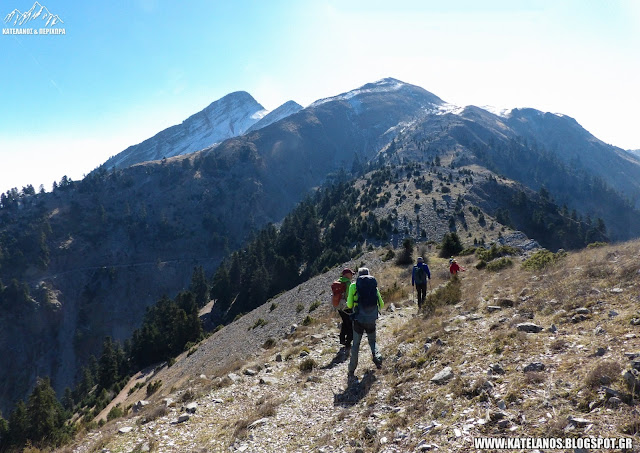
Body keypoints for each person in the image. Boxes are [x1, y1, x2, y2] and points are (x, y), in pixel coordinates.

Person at [346, 267, 384, 382]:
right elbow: (381, 304)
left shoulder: (354, 286)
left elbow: (348, 305)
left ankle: (352, 369)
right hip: (371, 319)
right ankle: (377, 358)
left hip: (358, 320)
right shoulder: (373, 286)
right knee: (372, 341)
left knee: (356, 345)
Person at [336, 268, 354, 352]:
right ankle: (348, 343)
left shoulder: (338, 281)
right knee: (350, 325)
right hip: (346, 307)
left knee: (345, 322)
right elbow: (348, 295)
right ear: (346, 274)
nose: (352, 275)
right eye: (351, 274)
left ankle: (342, 338)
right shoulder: (347, 283)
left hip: (339, 307)